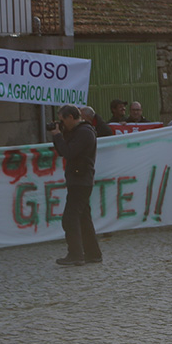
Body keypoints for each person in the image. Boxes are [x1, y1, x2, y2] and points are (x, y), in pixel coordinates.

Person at [51, 105, 102, 267]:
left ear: (72, 117)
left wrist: (59, 135)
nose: (62, 123)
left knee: (70, 218)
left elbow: (69, 152)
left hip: (81, 180)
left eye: (63, 120)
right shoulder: (77, 132)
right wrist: (58, 135)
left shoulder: (84, 132)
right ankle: (93, 254)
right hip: (78, 180)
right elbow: (62, 151)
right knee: (83, 218)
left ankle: (75, 254)